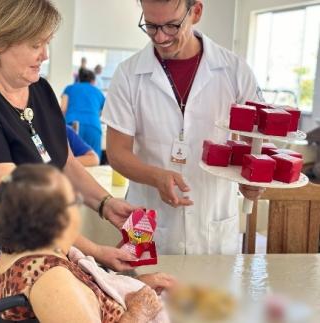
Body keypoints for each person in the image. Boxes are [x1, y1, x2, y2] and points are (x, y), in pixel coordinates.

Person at [0, 1, 136, 320]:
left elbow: (64, 160)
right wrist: (96, 251)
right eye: (36, 44)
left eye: (47, 42)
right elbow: (24, 212)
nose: (45, 54)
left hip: (45, 251)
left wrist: (103, 203)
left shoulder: (40, 89)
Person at [102, 0, 264, 256]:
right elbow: (117, 152)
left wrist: (253, 178)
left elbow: (256, 141)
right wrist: (155, 177)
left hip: (212, 217)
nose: (161, 37)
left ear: (196, 12)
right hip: (144, 214)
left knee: (210, 293)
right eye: (151, 26)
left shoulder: (235, 71)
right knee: (137, 290)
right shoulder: (128, 74)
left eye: (171, 26)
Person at [0, 164, 174, 323]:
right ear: (56, 219)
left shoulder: (21, 251)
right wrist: (138, 311)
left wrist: (134, 285)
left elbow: (86, 299)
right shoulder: (51, 279)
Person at [61, 68, 105, 158]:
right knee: (93, 159)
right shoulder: (98, 92)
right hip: (93, 126)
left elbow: (63, 109)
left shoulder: (70, 88)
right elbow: (103, 113)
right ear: (93, 81)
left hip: (72, 125)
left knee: (70, 161)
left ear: (79, 79)